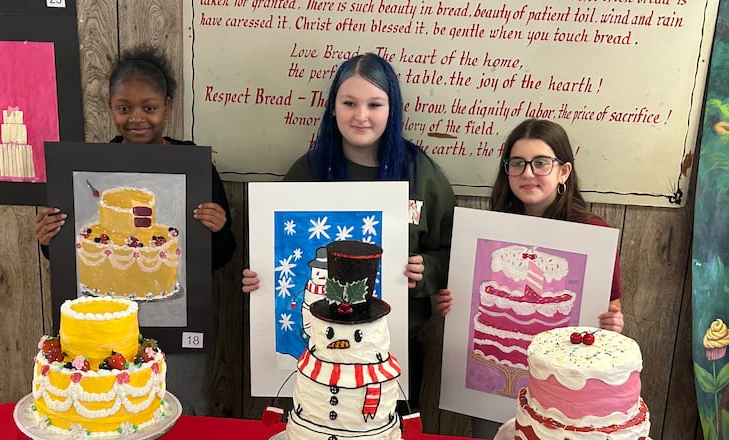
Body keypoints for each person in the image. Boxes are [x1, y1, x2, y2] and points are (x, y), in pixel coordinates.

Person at [241, 52, 456, 413]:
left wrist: (428, 271)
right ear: (333, 107)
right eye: (349, 103)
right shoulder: (307, 170)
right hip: (316, 357)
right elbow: (281, 249)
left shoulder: (423, 174)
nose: (361, 116)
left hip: (392, 351)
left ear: (393, 108)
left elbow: (454, 254)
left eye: (374, 104)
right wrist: (258, 276)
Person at [34, 46, 236, 415]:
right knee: (117, 415)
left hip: (178, 332)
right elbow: (72, 261)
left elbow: (223, 257)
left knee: (185, 413)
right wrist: (50, 240)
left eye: (149, 107)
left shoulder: (195, 168)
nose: (137, 118)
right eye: (124, 108)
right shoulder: (87, 171)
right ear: (110, 108)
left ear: (167, 106)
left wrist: (219, 229)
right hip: (107, 334)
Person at [434, 118, 624, 438]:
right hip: (490, 393)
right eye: (517, 163)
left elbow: (612, 309)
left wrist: (613, 326)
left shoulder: (593, 235)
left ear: (564, 171)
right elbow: (467, 303)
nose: (527, 173)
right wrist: (453, 304)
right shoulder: (488, 232)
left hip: (561, 395)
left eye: (541, 163)